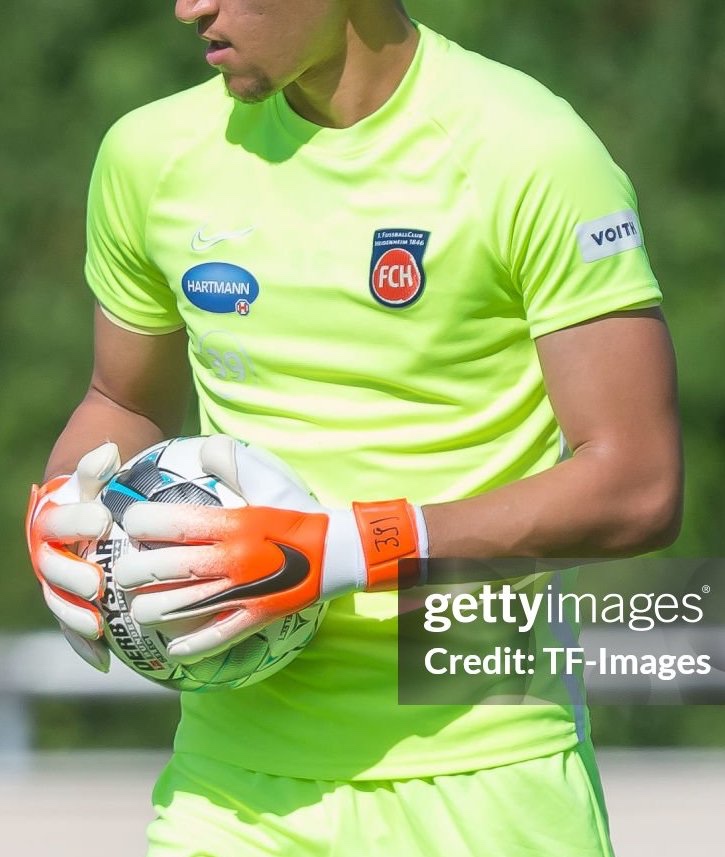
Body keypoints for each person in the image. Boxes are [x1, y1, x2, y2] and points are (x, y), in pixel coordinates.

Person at [26, 1, 683, 855]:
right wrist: (62, 512)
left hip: (486, 773)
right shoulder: (149, 153)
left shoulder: (532, 149)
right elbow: (121, 398)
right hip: (229, 791)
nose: (190, 6)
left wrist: (348, 549)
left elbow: (637, 486)